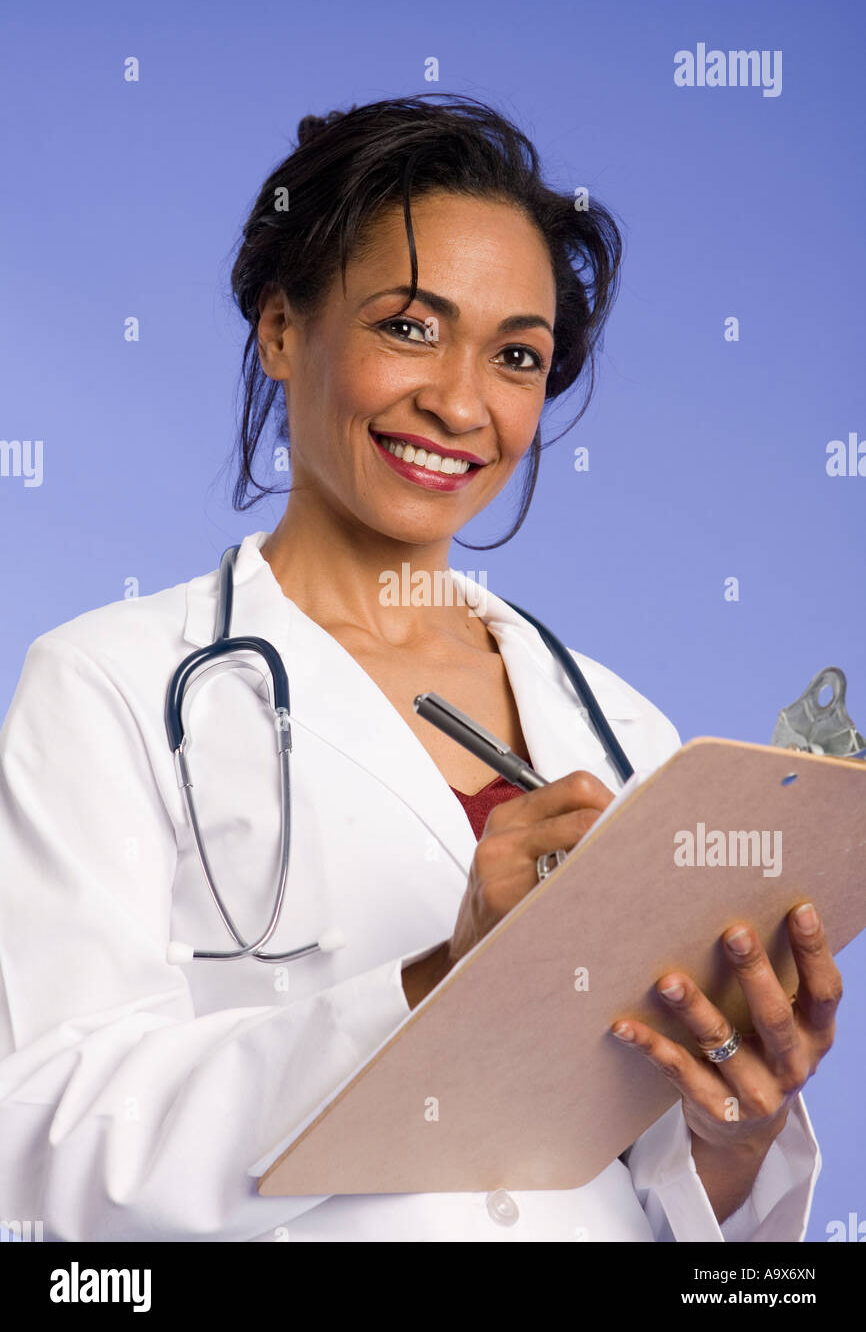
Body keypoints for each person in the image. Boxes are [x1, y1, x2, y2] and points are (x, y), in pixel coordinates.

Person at [0, 94, 839, 1242]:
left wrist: (730, 1140)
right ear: (283, 327)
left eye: (515, 355)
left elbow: (662, 1194)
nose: (457, 400)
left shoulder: (624, 733)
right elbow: (51, 1141)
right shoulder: (112, 685)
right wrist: (432, 980)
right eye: (408, 326)